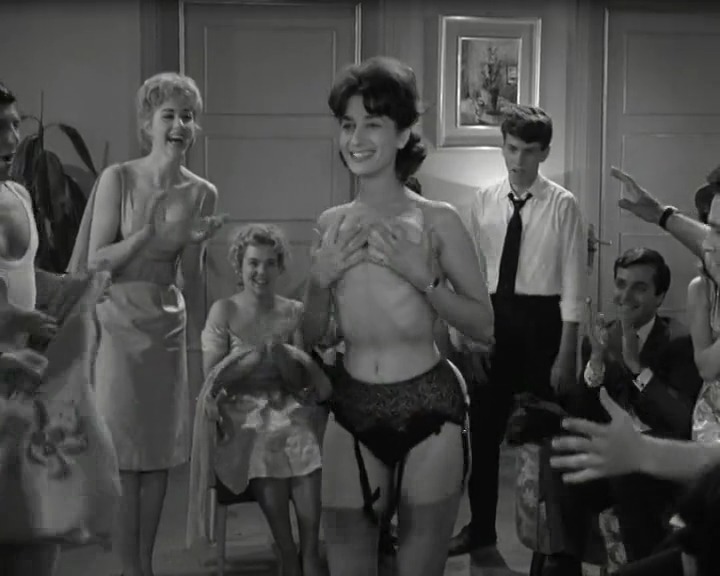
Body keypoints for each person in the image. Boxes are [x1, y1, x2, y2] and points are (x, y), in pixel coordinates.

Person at [302, 56, 494, 576]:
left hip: (429, 406)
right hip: (352, 407)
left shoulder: (439, 221)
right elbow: (312, 336)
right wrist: (317, 282)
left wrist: (425, 281)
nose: (356, 139)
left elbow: (484, 325)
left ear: (404, 132)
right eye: (348, 125)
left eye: (373, 124)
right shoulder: (330, 224)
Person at [67, 72, 223, 576]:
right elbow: (96, 261)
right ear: (147, 124)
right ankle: (126, 566)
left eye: (188, 116)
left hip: (167, 323)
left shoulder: (202, 192)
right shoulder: (119, 178)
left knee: (157, 455)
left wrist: (196, 247)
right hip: (117, 320)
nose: (179, 125)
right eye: (169, 115)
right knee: (119, 450)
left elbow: (192, 278)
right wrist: (146, 234)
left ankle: (145, 566)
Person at [450, 106, 586, 572]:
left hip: (544, 322)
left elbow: (574, 283)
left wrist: (567, 352)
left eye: (529, 151)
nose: (518, 160)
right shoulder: (484, 200)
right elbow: (469, 273)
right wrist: (470, 338)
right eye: (511, 149)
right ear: (502, 147)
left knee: (549, 435)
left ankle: (551, 543)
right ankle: (480, 530)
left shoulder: (563, 204)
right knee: (483, 434)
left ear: (544, 153)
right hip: (493, 320)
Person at [0, 80, 118, 576]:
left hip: (22, 383)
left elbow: (22, 273)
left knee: (39, 521)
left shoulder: (17, 192)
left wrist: (73, 289)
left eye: (14, 125)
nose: (12, 139)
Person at [187, 224, 330, 576]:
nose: (261, 271)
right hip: (240, 411)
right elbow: (212, 379)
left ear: (280, 267)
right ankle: (288, 553)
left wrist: (283, 357)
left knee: (304, 440)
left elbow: (298, 382)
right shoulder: (224, 310)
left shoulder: (292, 311)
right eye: (253, 263)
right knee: (263, 442)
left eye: (269, 263)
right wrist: (251, 361)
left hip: (286, 403)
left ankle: (310, 553)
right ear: (239, 265)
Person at [563, 248, 701, 562]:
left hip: (659, 456)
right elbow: (582, 411)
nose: (625, 296)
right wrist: (596, 361)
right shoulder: (603, 336)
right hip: (613, 453)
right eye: (621, 284)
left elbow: (681, 419)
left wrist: (636, 368)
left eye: (639, 287)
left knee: (630, 475)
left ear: (659, 296)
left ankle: (643, 564)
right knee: (565, 454)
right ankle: (566, 560)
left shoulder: (680, 341)